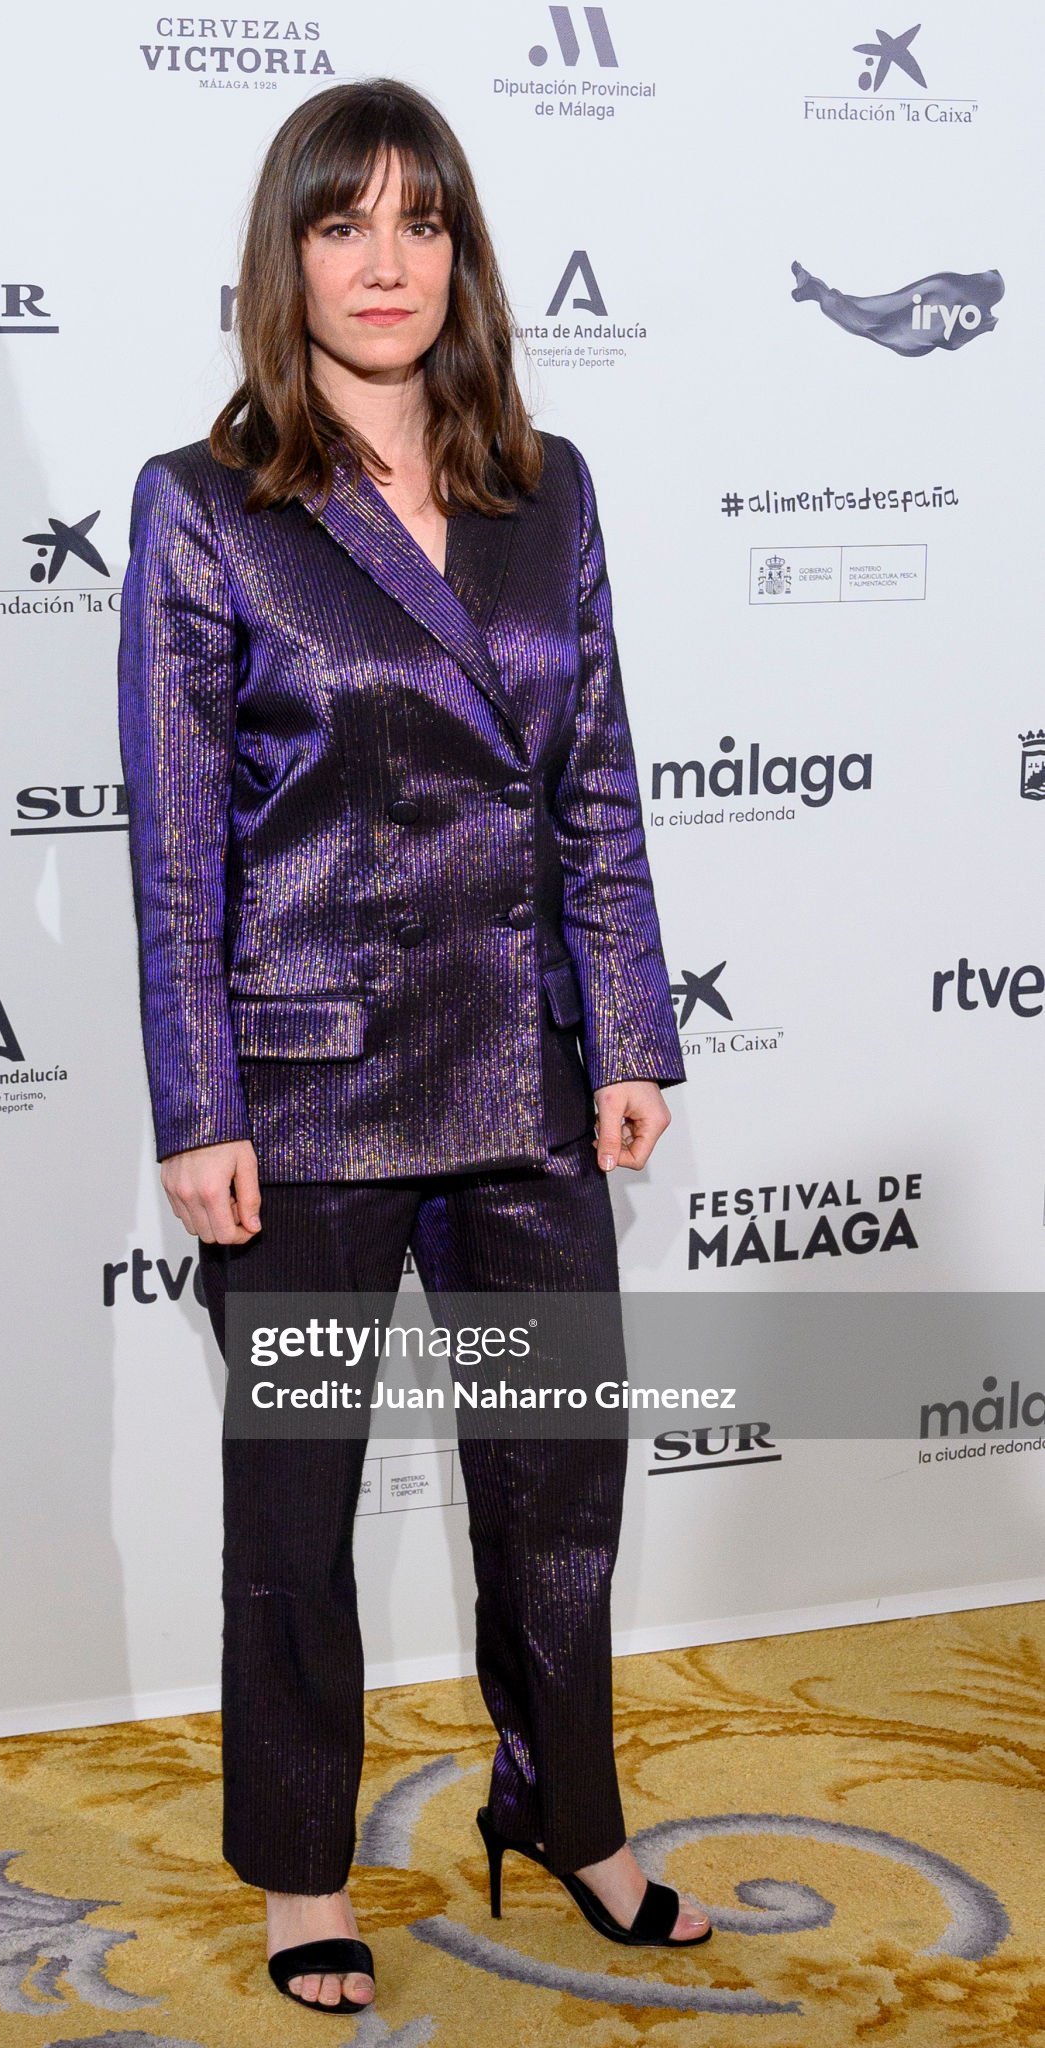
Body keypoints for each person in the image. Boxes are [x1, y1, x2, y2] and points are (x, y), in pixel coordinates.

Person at [116, 76, 710, 2019]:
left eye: (420, 219)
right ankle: (303, 1871)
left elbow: (593, 781)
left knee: (556, 1488)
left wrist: (625, 1031)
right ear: (283, 259)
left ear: (462, 254)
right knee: (294, 1514)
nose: (385, 261)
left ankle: (568, 1813)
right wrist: (199, 1104)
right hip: (303, 1104)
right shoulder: (207, 507)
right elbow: (176, 839)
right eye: (341, 221)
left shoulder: (549, 490)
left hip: (525, 1083)